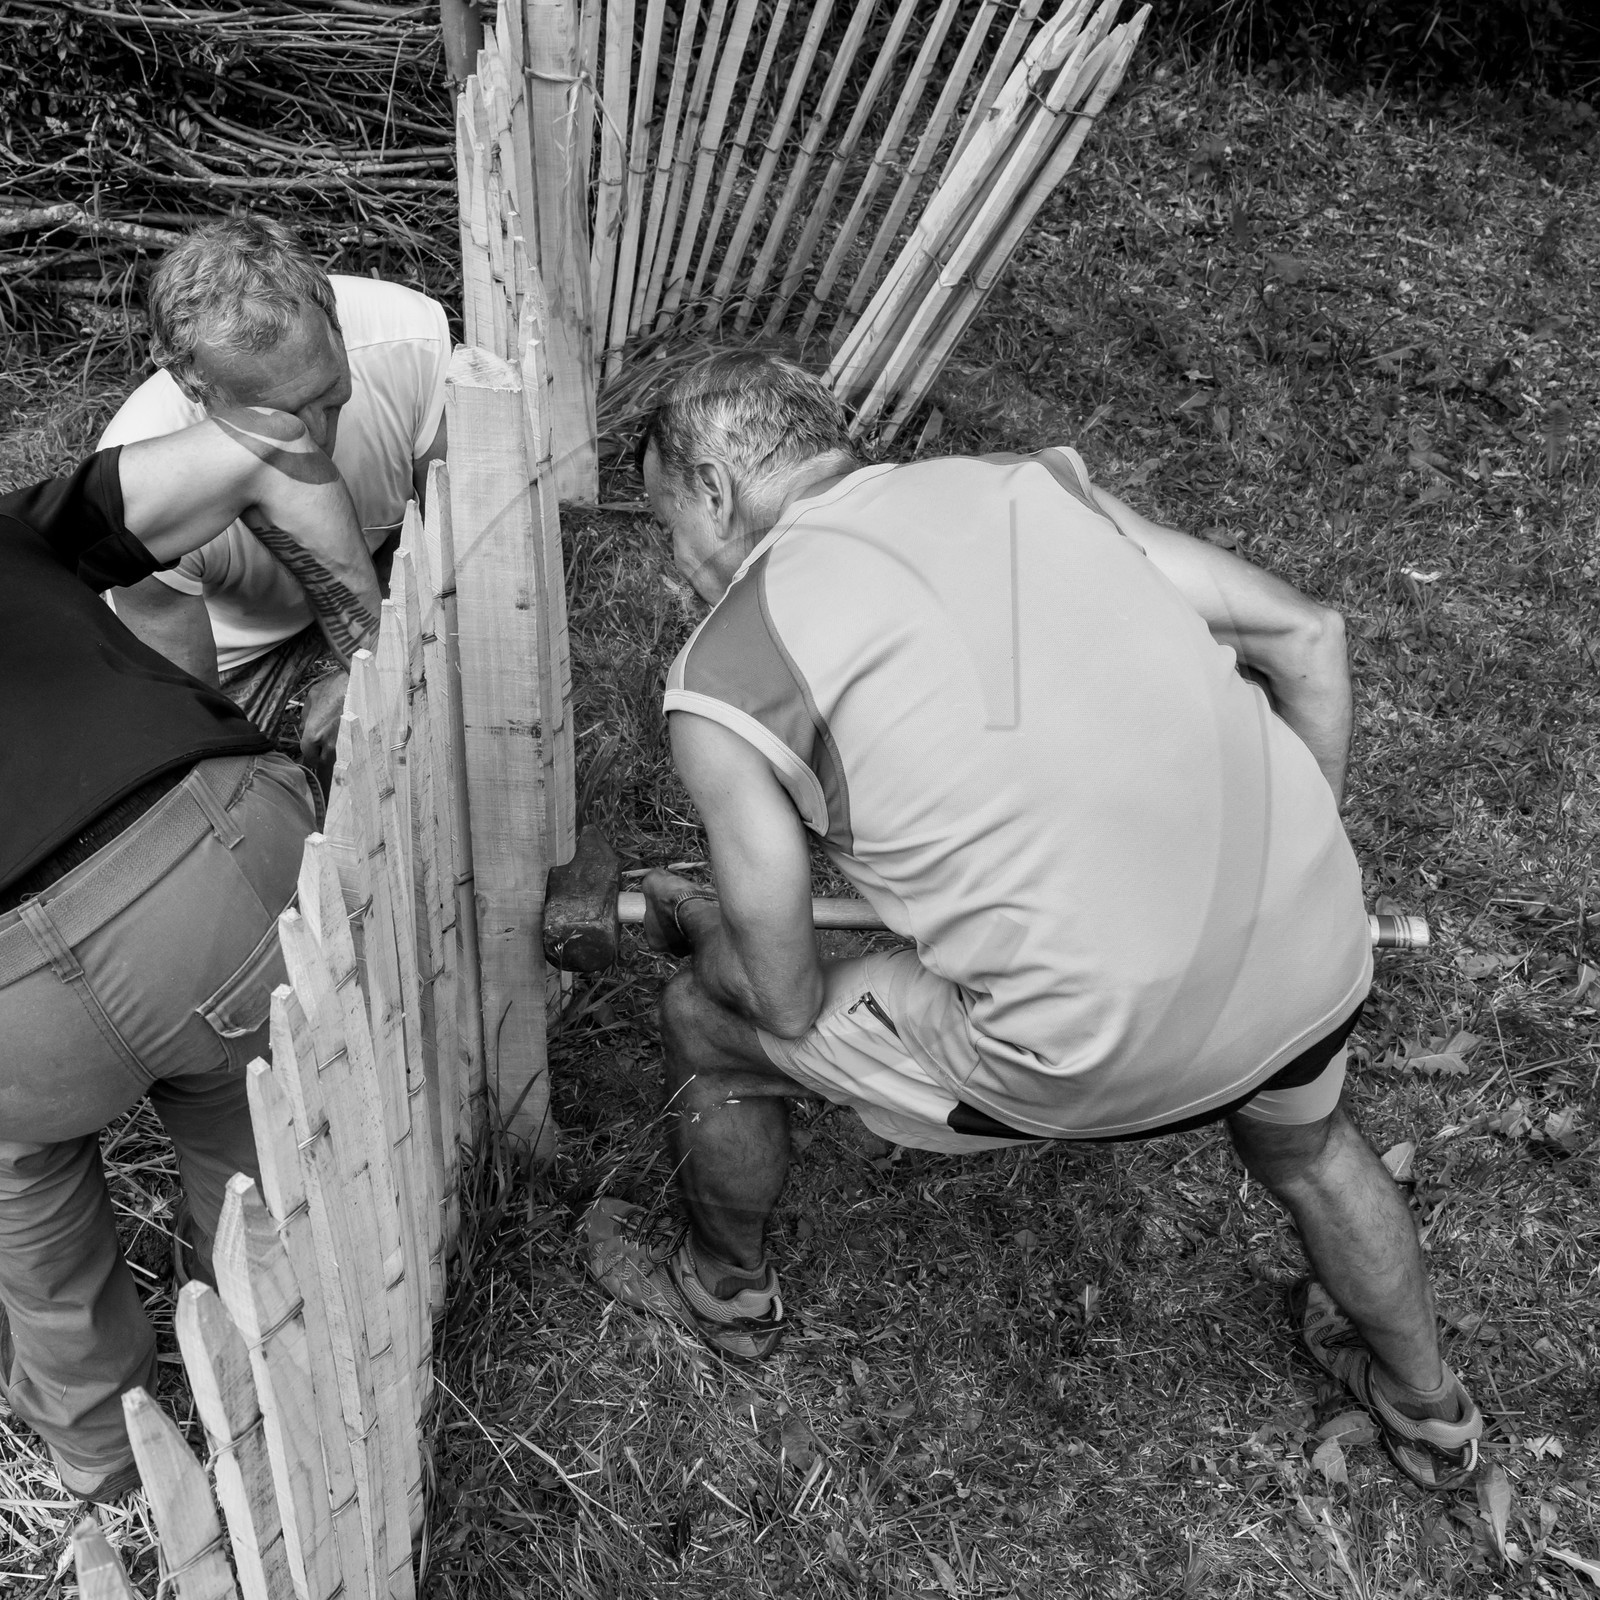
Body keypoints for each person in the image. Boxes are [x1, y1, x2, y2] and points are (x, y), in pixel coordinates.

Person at [583, 351, 1484, 1491]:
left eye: (667, 526)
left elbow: (783, 994)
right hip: (1317, 950)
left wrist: (710, 931)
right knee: (1301, 1140)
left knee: (706, 1021)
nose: (673, 565)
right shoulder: (1030, 488)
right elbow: (1305, 636)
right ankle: (1429, 1409)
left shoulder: (725, 673)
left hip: (1091, 1046)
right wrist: (1289, 868)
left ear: (714, 487)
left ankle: (721, 1290)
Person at [0, 408, 380, 1501]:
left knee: (24, 1183)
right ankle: (265, 1386)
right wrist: (365, 648)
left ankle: (101, 1464)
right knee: (247, 1120)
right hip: (204, 873)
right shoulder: (17, 528)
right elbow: (267, 446)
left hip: (12, 1017)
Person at [99, 217, 450, 789]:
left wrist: (371, 674)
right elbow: (190, 718)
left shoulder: (408, 341)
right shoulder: (140, 484)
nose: (319, 437)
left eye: (330, 397)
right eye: (282, 422)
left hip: (382, 571)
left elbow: (464, 544)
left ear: (336, 324)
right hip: (231, 642)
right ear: (196, 388)